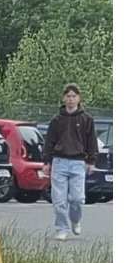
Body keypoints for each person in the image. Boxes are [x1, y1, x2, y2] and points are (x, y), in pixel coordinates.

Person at [43, 83, 100, 241]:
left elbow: (91, 141)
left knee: (77, 199)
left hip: (78, 163)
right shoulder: (57, 120)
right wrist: (46, 161)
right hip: (59, 162)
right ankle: (61, 229)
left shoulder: (86, 119)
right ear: (64, 98)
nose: (70, 99)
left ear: (79, 98)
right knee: (59, 200)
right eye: (68, 96)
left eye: (73, 96)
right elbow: (49, 141)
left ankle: (75, 219)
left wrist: (91, 161)